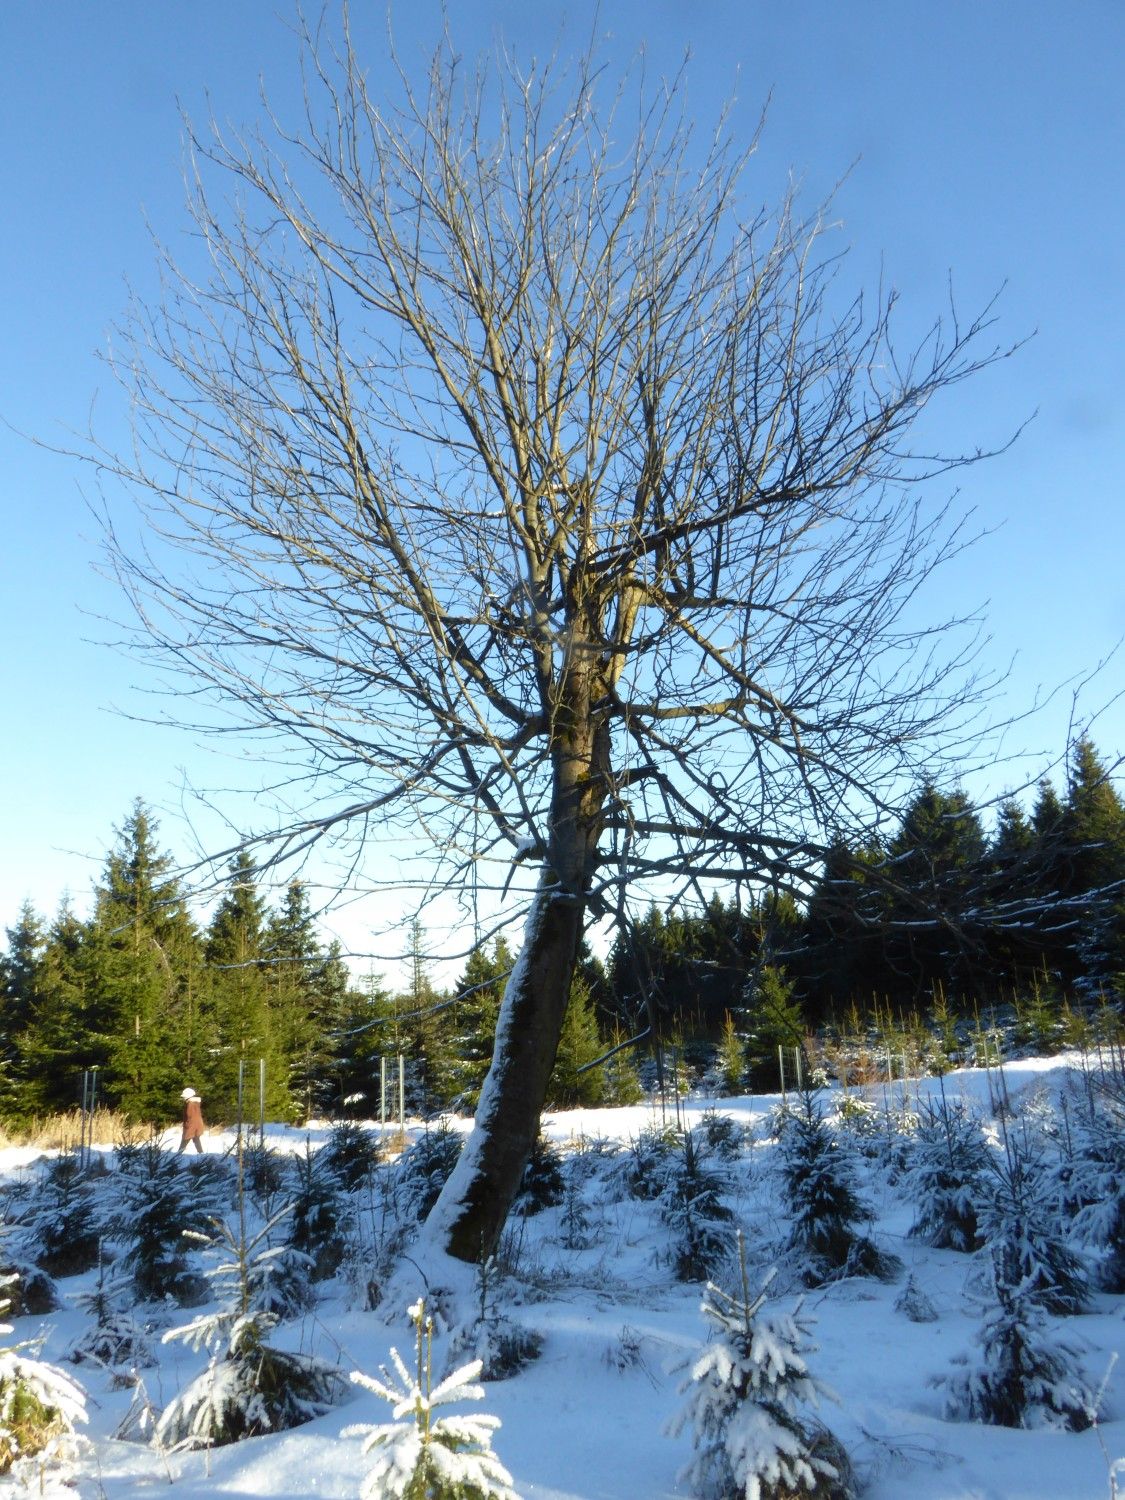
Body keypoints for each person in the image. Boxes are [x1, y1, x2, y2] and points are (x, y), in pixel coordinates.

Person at [178, 1086, 206, 1153]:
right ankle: (201, 1154)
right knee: (196, 1140)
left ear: (188, 1096)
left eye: (184, 1096)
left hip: (191, 1125)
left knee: (185, 1140)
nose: (183, 1098)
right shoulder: (195, 1103)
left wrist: (187, 1125)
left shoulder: (190, 1104)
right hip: (197, 1125)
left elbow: (190, 1116)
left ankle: (177, 1155)